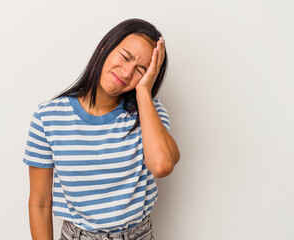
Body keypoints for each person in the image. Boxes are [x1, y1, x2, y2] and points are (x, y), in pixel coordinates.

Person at [23, 18, 180, 240]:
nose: (127, 73)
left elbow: (162, 166)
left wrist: (144, 92)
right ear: (105, 48)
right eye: (125, 57)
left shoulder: (150, 112)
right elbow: (40, 203)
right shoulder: (48, 116)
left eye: (141, 70)